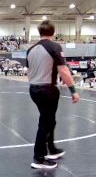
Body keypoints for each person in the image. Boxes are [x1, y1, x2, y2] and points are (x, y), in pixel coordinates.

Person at [26, 20, 80, 169]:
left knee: (49, 121)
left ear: (39, 32)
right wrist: (73, 91)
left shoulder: (31, 49)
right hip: (48, 90)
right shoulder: (54, 47)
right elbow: (63, 71)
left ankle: (51, 149)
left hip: (34, 89)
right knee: (45, 123)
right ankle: (39, 158)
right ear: (53, 32)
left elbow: (29, 73)